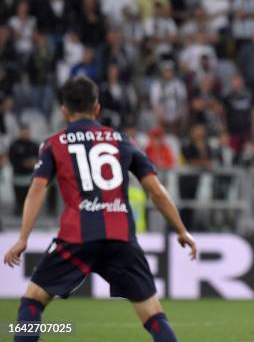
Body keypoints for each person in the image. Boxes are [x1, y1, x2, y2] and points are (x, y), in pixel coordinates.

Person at [3, 76, 197, 342]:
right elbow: (156, 190)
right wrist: (182, 230)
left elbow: (37, 190)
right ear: (97, 108)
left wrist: (23, 237)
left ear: (64, 110)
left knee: (32, 302)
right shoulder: (123, 140)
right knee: (153, 315)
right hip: (121, 239)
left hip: (76, 238)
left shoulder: (53, 144)